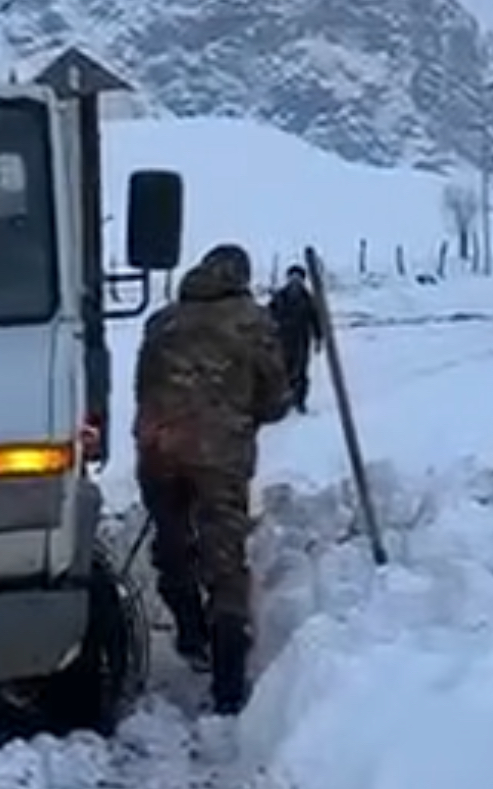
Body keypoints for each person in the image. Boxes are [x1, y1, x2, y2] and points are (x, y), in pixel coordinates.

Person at [132, 243, 290, 716]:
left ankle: (190, 632)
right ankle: (226, 683)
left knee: (172, 542)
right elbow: (274, 397)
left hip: (159, 446)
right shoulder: (253, 321)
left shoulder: (162, 321)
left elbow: (143, 385)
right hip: (220, 455)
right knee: (225, 557)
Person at [268, 264, 323, 414]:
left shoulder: (308, 299)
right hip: (281, 339)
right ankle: (281, 401)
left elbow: (316, 319)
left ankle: (299, 401)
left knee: (300, 372)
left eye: (298, 278)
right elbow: (268, 316)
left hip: (301, 341)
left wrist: (319, 338)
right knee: (281, 371)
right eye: (292, 277)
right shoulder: (279, 297)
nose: (295, 281)